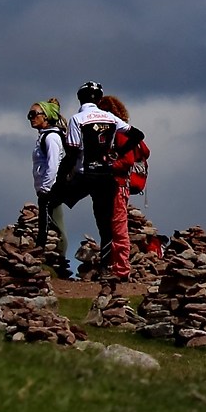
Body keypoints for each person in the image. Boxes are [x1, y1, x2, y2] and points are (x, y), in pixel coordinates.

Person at [71, 83, 141, 280]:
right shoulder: (118, 130)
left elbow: (126, 161)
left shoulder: (116, 134)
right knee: (111, 225)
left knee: (115, 226)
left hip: (116, 183)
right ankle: (114, 266)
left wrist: (109, 161)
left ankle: (119, 270)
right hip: (113, 182)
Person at [28, 100, 77, 272]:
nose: (30, 118)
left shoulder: (52, 137)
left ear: (46, 117)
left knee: (54, 223)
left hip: (50, 189)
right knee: (51, 221)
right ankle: (54, 258)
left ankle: (58, 260)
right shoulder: (46, 136)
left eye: (34, 114)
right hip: (48, 188)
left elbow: (53, 165)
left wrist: (46, 189)